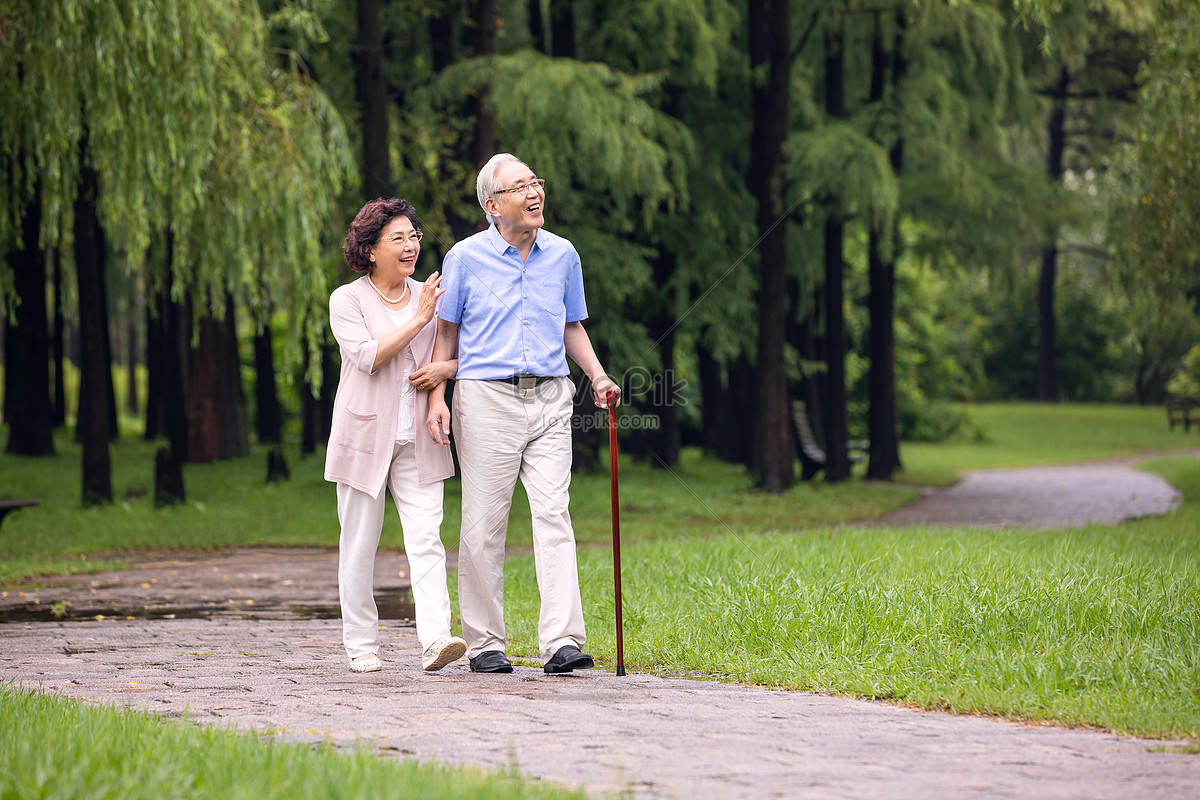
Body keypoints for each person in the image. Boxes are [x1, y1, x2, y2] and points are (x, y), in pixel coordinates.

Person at [426, 153, 620, 675]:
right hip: (485, 397)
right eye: (520, 187)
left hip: (552, 396)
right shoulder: (464, 259)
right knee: (485, 523)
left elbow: (570, 325)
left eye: (537, 182)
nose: (535, 193)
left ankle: (561, 641)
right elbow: (446, 336)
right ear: (493, 205)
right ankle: (486, 642)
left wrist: (597, 376)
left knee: (554, 513)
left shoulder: (563, 254)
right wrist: (436, 398)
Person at [325, 197, 467, 674]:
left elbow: (458, 355)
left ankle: (436, 640)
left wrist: (439, 390)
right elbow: (368, 356)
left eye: (414, 236)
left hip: (420, 437)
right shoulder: (348, 299)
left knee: (427, 539)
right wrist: (419, 319)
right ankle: (361, 644)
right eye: (398, 238)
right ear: (369, 250)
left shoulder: (431, 294)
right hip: (364, 437)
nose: (411, 246)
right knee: (359, 543)